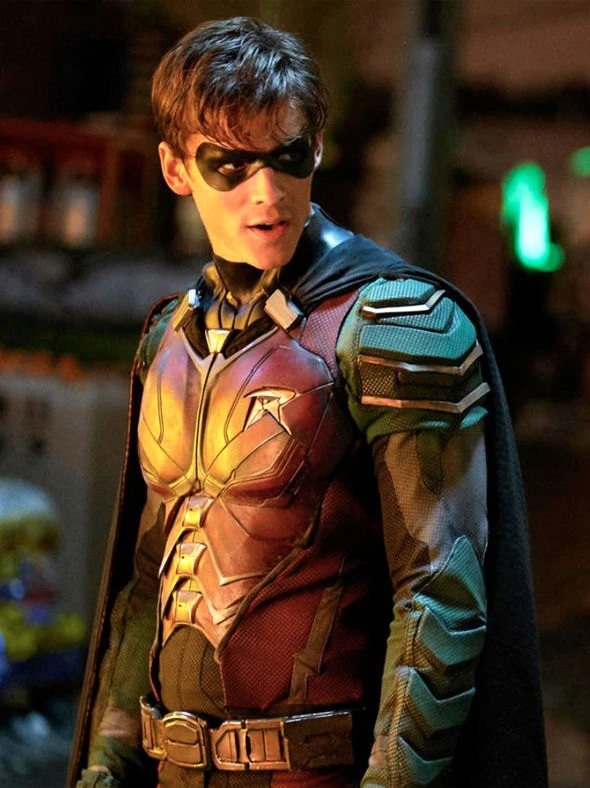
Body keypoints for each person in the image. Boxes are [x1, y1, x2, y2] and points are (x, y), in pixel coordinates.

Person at [69, 16, 547, 788]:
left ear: (316, 150)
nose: (267, 193)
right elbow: (147, 581)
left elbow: (441, 596)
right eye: (231, 164)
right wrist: (105, 764)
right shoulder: (171, 336)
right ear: (175, 168)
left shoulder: (395, 326)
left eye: (287, 157)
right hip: (168, 767)